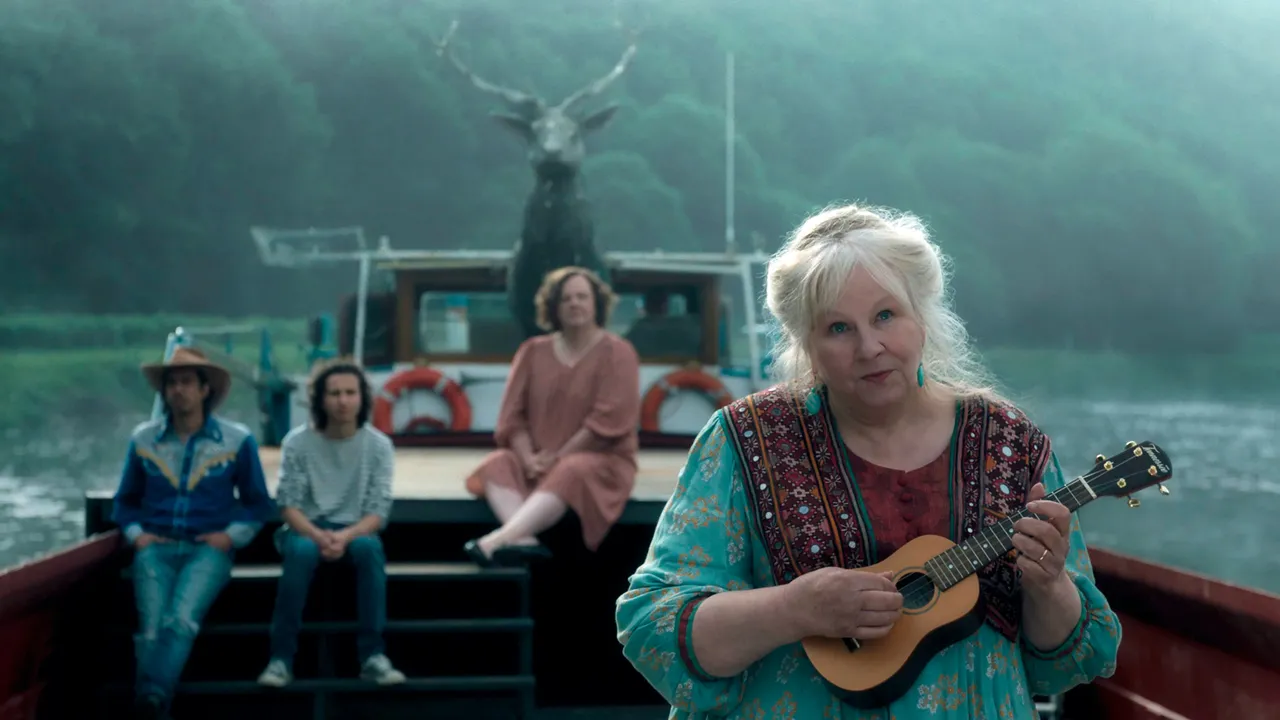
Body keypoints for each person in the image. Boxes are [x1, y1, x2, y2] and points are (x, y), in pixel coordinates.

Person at [616, 204, 1122, 718]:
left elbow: (1066, 662)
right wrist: (793, 608)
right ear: (806, 344)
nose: (869, 347)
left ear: (921, 317)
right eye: (838, 328)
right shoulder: (744, 439)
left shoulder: (1009, 440)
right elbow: (653, 626)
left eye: (885, 315)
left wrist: (1048, 584)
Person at [112, 347, 276, 719]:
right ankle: (155, 706)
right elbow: (125, 501)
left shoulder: (237, 440)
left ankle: (150, 698)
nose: (178, 390)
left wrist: (230, 537)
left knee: (181, 620)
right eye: (172, 383)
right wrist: (138, 536)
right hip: (155, 547)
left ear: (205, 390)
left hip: (208, 550)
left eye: (187, 382)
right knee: (151, 629)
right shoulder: (143, 439)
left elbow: (257, 503)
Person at [463, 265, 641, 565]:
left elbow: (607, 422)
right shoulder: (532, 351)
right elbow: (512, 418)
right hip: (538, 462)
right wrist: (529, 459)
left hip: (600, 463)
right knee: (496, 463)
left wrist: (557, 458)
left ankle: (495, 542)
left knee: (571, 469)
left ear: (596, 303)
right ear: (553, 307)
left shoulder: (619, 353)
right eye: (566, 298)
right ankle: (524, 541)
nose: (574, 304)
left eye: (582, 297)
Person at [256, 359, 405, 687]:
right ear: (320, 399)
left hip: (355, 527)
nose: (343, 401)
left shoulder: (379, 446)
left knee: (369, 550)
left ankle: (372, 656)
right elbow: (288, 505)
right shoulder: (297, 442)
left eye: (350, 393)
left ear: (362, 398)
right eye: (334, 393)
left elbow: (378, 510)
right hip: (305, 527)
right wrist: (318, 535)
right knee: (302, 552)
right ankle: (281, 659)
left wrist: (345, 536)